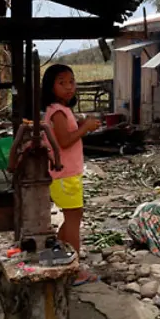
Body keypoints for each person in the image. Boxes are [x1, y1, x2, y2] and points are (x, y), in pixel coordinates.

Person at [41, 64, 101, 285]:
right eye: (62, 82)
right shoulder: (56, 111)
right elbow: (65, 142)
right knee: (74, 220)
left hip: (68, 174)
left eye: (71, 82)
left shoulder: (61, 110)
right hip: (64, 175)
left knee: (73, 218)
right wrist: (85, 128)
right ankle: (74, 271)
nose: (69, 87)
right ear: (50, 86)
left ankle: (60, 255)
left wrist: (84, 125)